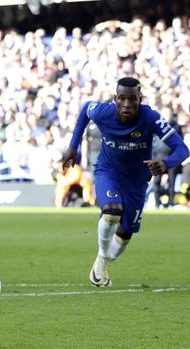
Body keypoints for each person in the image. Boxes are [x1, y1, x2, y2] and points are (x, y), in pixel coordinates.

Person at [61, 77, 189, 287]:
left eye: (133, 100)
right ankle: (102, 260)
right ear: (115, 99)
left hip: (137, 180)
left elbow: (183, 149)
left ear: (140, 99)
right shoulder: (103, 112)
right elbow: (85, 110)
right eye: (122, 99)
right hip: (108, 171)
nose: (127, 105)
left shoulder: (150, 118)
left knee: (125, 233)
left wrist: (166, 164)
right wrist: (73, 146)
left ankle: (102, 262)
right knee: (112, 212)